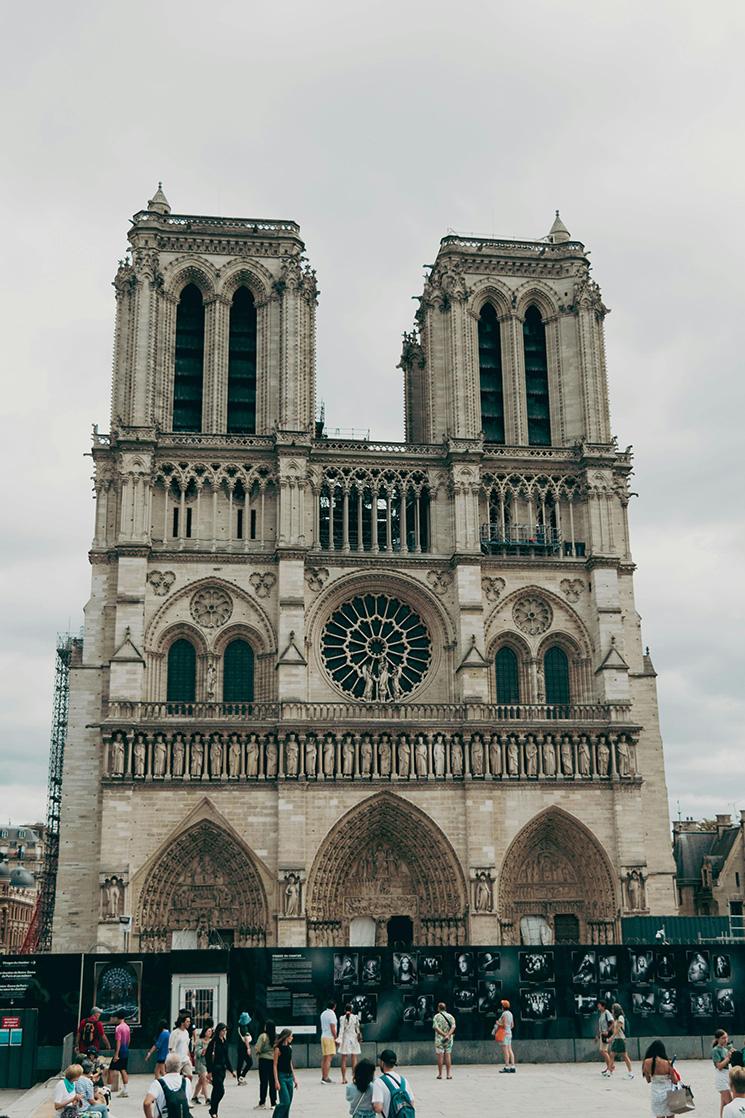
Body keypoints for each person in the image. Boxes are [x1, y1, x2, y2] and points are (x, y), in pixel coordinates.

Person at [143, 1052, 193, 1118]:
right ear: (179, 1067)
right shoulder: (186, 1082)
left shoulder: (158, 1083)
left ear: (165, 1066)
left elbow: (147, 1103)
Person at [205, 1022, 235, 1118]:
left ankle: (213, 1111)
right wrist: (209, 1071)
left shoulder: (224, 1041)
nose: (224, 1032)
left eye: (225, 1030)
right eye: (222, 1030)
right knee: (220, 1090)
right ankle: (213, 1109)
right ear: (218, 1031)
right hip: (215, 1069)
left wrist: (231, 1070)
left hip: (222, 1069)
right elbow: (207, 1056)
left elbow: (226, 1057)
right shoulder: (214, 1042)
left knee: (216, 1091)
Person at [372, 1050, 415, 1117]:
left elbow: (378, 1108)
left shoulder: (379, 1082)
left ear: (382, 1063)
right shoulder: (404, 1081)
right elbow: (411, 1103)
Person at [642, 1040, 676, 1117]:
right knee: (670, 1115)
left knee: (659, 1115)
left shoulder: (646, 1062)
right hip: (668, 1093)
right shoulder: (667, 1063)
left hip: (656, 1094)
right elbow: (675, 1080)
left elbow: (648, 1080)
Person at [273, 1029, 298, 1118]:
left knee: (289, 1102)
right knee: (285, 1101)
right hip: (282, 1076)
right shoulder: (278, 1049)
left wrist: (294, 1078)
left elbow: (290, 1063)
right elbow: (275, 1065)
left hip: (289, 1076)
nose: (292, 1038)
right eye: (291, 1036)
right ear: (286, 1037)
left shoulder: (289, 1048)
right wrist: (276, 1081)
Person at [253, 1019, 277, 1110]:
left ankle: (262, 1102)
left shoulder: (263, 1036)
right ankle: (273, 1103)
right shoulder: (275, 1037)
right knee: (272, 1082)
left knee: (263, 1082)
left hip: (263, 1060)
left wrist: (260, 1052)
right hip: (273, 1061)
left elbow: (257, 1048)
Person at [607, 1003, 634, 1079]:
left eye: (612, 1009)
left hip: (620, 1039)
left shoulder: (621, 1017)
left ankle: (631, 1073)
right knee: (612, 1055)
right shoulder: (616, 1018)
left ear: (616, 1010)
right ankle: (609, 1071)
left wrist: (612, 1037)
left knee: (625, 1056)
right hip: (617, 1039)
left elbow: (618, 1029)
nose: (611, 1011)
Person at [337, 1004, 362, 1084]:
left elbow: (341, 1030)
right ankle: (355, 1078)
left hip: (345, 1039)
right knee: (354, 1059)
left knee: (344, 1059)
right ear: (352, 1010)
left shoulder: (342, 1018)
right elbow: (357, 1029)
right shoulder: (355, 1017)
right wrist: (359, 1037)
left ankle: (343, 1078)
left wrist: (339, 1039)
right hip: (353, 1039)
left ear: (345, 1010)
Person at [713, 1029, 736, 1116]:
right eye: (723, 1038)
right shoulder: (715, 1050)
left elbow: (728, 1062)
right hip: (721, 1077)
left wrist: (733, 1054)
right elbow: (719, 1066)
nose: (725, 1040)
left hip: (726, 1076)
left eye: (726, 1037)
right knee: (730, 1104)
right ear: (717, 1039)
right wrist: (728, 1057)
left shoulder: (725, 1049)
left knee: (724, 1104)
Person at [108, 1010, 130, 1097]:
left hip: (119, 1051)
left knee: (111, 1070)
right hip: (125, 1050)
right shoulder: (127, 1027)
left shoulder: (118, 1028)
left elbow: (118, 1041)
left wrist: (116, 1054)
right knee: (123, 1069)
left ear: (117, 1018)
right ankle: (125, 1090)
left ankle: (108, 1090)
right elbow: (128, 1040)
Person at [192, 1017, 214, 1105]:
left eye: (211, 1031)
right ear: (204, 1032)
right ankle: (207, 1098)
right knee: (204, 1079)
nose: (210, 1032)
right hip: (201, 1062)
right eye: (208, 1031)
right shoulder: (200, 1041)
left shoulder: (212, 1041)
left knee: (200, 1081)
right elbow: (196, 1052)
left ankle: (194, 1097)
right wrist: (202, 1051)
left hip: (209, 1063)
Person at [433, 1001, 455, 1080]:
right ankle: (448, 1074)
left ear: (438, 1008)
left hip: (440, 1040)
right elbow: (453, 1026)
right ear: (445, 1008)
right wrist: (448, 1035)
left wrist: (443, 1035)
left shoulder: (436, 1017)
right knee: (448, 1055)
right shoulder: (450, 1016)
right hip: (449, 1039)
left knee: (440, 1057)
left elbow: (435, 1027)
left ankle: (440, 1074)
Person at [493, 999, 515, 1073]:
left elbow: (504, 1025)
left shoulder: (504, 1014)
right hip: (509, 1033)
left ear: (503, 1007)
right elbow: (512, 1025)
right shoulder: (510, 1014)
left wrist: (498, 1023)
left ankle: (506, 1066)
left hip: (504, 1034)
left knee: (505, 1051)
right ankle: (513, 1066)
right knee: (510, 1050)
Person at [169, 1014, 193, 1078]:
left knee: (190, 1076)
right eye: (187, 1022)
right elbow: (170, 1048)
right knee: (175, 1078)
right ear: (182, 1022)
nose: (189, 1023)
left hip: (185, 1059)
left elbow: (186, 1046)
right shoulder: (175, 1033)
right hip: (177, 1060)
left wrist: (189, 1057)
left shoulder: (186, 1033)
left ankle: (186, 1087)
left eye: (189, 1022)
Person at [320, 999, 338, 1084]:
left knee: (324, 1058)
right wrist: (336, 1038)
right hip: (329, 1037)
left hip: (323, 1036)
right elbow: (333, 1028)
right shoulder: (332, 1014)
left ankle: (323, 1075)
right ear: (334, 1007)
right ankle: (326, 1077)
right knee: (328, 1058)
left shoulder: (323, 1014)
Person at [596, 999, 614, 1076]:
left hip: (606, 1034)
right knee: (603, 1051)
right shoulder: (601, 1014)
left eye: (599, 1005)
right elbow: (600, 1026)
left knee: (603, 1051)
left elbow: (612, 1023)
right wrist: (597, 1035)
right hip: (602, 1034)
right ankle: (609, 1067)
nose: (598, 1006)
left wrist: (607, 1030)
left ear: (603, 1006)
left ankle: (610, 1067)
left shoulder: (607, 1013)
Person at [236, 1012, 253, 1084]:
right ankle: (242, 1076)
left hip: (239, 1047)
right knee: (250, 1062)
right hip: (244, 1047)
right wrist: (248, 1048)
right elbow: (246, 1039)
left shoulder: (239, 1027)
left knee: (240, 1063)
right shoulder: (245, 1028)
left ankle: (239, 1079)